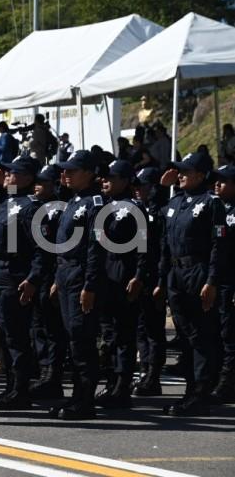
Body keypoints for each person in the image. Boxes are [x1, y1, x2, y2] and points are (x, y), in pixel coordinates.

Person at [156, 151, 224, 416]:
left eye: (185, 171)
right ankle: (190, 391)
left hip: (198, 272)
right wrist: (162, 279)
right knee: (186, 336)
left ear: (200, 175)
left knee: (201, 335)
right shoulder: (175, 202)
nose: (180, 175)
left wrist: (212, 281)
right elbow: (162, 239)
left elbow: (219, 246)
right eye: (179, 171)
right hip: (176, 273)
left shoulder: (211, 203)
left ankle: (200, 393)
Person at [0, 156, 45, 411]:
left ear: (28, 178)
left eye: (12, 173)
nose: (6, 176)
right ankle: (10, 387)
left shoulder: (30, 207)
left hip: (15, 276)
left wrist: (33, 279)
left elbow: (41, 249)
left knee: (17, 337)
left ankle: (20, 390)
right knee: (5, 335)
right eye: (5, 173)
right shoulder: (4, 202)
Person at [50, 150, 106, 420]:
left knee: (82, 341)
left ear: (88, 173)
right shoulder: (74, 200)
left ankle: (85, 401)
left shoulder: (95, 204)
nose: (65, 175)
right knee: (73, 340)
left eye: (71, 171)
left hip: (81, 276)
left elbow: (96, 249)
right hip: (67, 274)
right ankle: (76, 397)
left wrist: (90, 286)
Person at [94, 160, 148, 410]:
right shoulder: (103, 206)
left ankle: (122, 387)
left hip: (124, 273)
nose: (106, 181)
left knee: (124, 335)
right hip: (105, 273)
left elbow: (144, 248)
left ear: (125, 181)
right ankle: (111, 382)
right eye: (104, 177)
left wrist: (138, 276)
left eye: (112, 178)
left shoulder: (134, 209)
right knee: (108, 335)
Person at [29, 164, 67, 399]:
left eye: (42, 182)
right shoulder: (36, 207)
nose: (37, 186)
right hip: (37, 275)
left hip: (53, 274)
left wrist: (57, 279)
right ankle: (44, 373)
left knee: (53, 329)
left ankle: (53, 376)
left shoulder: (59, 210)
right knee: (38, 327)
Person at [132, 167, 168, 397]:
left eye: (142, 185)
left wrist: (161, 282)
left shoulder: (161, 212)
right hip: (139, 276)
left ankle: (153, 374)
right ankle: (144, 369)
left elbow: (164, 249)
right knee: (141, 328)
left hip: (154, 275)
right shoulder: (138, 210)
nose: (137, 189)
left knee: (153, 329)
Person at [209, 165, 235, 404]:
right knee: (216, 331)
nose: (217, 184)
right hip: (218, 279)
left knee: (229, 334)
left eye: (223, 181)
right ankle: (217, 377)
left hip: (231, 282)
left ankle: (228, 383)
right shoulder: (216, 207)